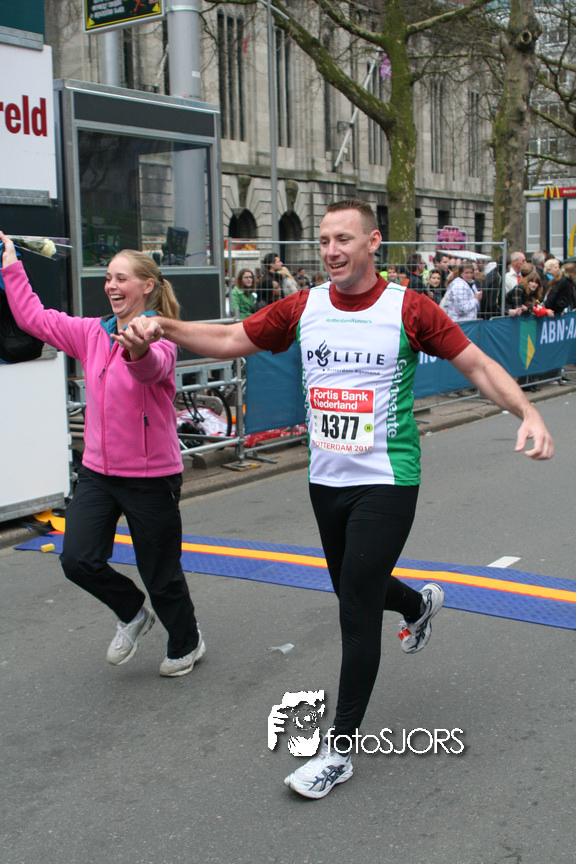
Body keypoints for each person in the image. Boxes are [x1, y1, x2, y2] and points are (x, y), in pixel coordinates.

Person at [115, 199, 553, 799]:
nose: (331, 250)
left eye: (343, 238)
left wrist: (528, 411)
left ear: (374, 243)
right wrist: (163, 326)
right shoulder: (305, 306)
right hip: (327, 480)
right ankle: (417, 605)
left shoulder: (410, 308)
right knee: (354, 586)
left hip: (388, 477)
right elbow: (228, 339)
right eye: (323, 240)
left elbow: (476, 364)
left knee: (355, 607)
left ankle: (338, 750)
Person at [0, 233, 205, 678]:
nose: (111, 285)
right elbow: (33, 317)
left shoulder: (160, 335)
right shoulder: (92, 333)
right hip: (97, 472)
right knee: (77, 559)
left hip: (151, 477)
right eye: (108, 278)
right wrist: (11, 263)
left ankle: (187, 642)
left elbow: (153, 368)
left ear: (146, 286)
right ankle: (132, 612)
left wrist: (138, 349)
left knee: (160, 573)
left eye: (121, 278)